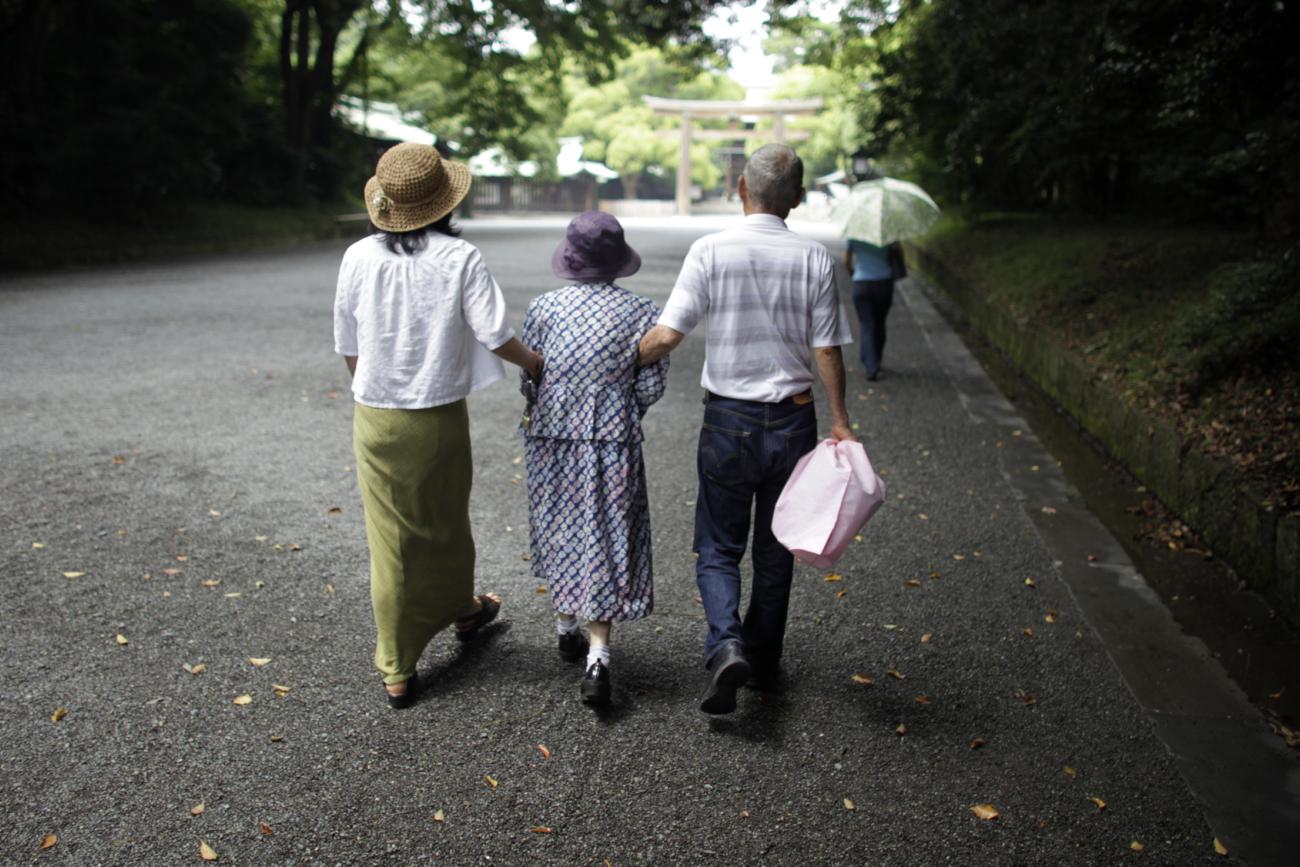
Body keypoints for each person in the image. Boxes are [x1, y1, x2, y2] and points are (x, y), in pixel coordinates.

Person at [638, 143, 856, 715]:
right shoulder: (814, 258)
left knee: (717, 545)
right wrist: (841, 422)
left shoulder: (711, 250)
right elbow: (827, 348)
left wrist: (610, 365)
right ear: (799, 199)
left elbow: (666, 336)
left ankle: (725, 643)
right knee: (778, 544)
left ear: (741, 188)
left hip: (728, 420)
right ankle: (761, 658)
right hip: (793, 420)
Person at [333, 142, 542, 709]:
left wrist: (376, 384)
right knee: (445, 521)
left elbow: (349, 346)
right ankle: (415, 647)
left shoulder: (357, 257)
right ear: (445, 204)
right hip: (439, 417)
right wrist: (538, 365)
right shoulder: (460, 258)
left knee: (391, 538)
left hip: (375, 415)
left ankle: (422, 647)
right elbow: (496, 336)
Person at [519, 211, 669, 707]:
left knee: (560, 522)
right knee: (605, 533)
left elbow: (530, 378)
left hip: (551, 434)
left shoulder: (543, 309)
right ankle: (598, 655)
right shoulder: (642, 313)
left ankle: (566, 625)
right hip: (612, 437)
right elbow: (650, 386)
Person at [845, 239, 906, 380]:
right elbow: (899, 253)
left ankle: (869, 363)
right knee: (879, 321)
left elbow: (846, 261)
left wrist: (853, 273)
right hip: (884, 283)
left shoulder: (854, 235)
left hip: (861, 283)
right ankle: (875, 359)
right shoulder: (887, 236)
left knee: (867, 323)